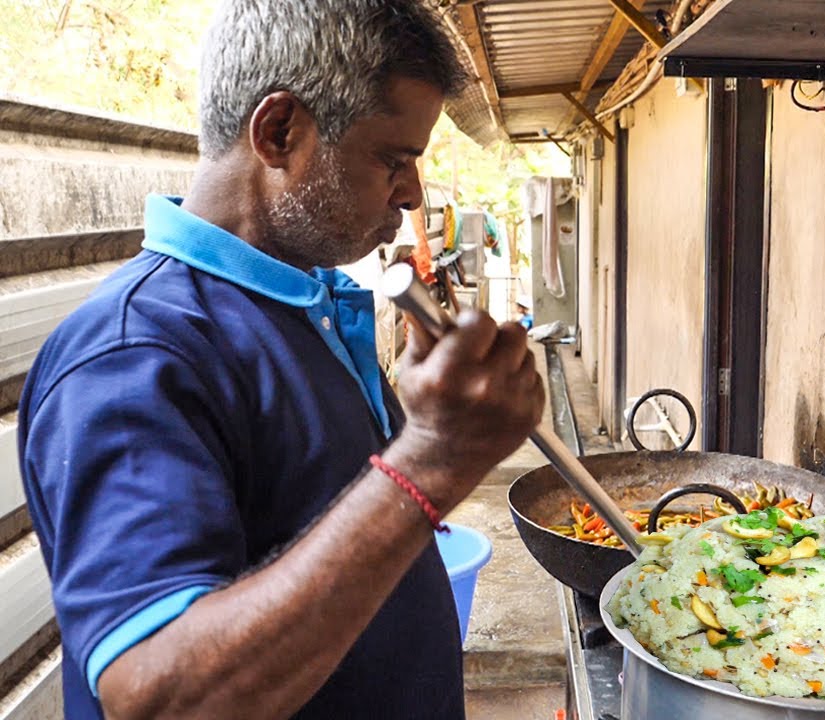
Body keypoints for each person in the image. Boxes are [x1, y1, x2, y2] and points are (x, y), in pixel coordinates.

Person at [16, 1, 544, 718]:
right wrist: (430, 462)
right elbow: (161, 697)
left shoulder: (305, 306)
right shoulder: (132, 354)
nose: (414, 193)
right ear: (278, 131)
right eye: (394, 159)